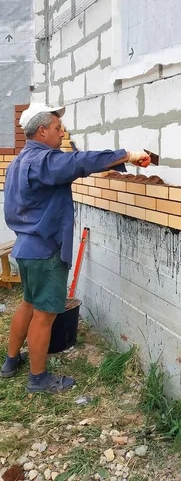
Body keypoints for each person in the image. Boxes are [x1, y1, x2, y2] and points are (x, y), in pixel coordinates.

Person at [0, 103, 150, 393]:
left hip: (26, 247)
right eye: (57, 128)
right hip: (46, 250)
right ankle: (38, 378)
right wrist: (126, 155)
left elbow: (70, 165)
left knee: (29, 304)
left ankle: (10, 361)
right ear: (42, 131)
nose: (62, 133)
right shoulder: (44, 161)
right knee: (45, 314)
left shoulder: (20, 160)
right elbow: (77, 162)